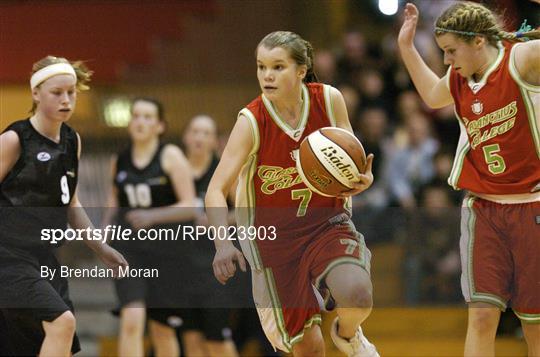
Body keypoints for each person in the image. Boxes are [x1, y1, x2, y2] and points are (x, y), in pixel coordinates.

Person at [205, 31, 378, 357]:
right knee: (308, 348)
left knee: (357, 296)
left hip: (326, 224)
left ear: (301, 70)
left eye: (278, 67)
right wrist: (222, 245)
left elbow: (352, 161)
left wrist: (361, 179)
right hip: (274, 242)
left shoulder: (329, 100)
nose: (267, 75)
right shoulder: (252, 121)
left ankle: (348, 335)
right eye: (261, 66)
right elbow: (215, 189)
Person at [398, 2, 540, 356]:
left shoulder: (521, 59)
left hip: (532, 205)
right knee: (479, 317)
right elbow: (432, 95)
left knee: (534, 325)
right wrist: (405, 47)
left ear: (478, 41)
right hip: (483, 209)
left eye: (450, 51)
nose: (446, 61)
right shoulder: (461, 78)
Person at [0, 55, 128, 356]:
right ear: (35, 93)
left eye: (71, 92)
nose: (66, 100)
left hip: (44, 256)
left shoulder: (72, 141)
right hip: (8, 257)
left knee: (39, 345)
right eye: (57, 93)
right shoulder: (15, 139)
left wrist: (101, 248)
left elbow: (70, 202)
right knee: (62, 323)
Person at [104, 97, 196, 357]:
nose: (140, 122)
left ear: (160, 125)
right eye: (136, 116)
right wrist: (102, 236)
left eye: (147, 117)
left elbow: (190, 205)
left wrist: (153, 216)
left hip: (167, 253)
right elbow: (112, 202)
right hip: (129, 250)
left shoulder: (171, 155)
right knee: (131, 317)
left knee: (161, 329)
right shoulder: (119, 159)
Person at [180, 114, 241, 357]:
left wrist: (217, 220)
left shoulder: (224, 173)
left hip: (215, 266)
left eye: (206, 133)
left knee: (217, 340)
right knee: (192, 341)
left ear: (216, 141)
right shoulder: (174, 170)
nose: (199, 137)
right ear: (185, 136)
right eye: (195, 131)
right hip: (182, 266)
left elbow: (247, 213)